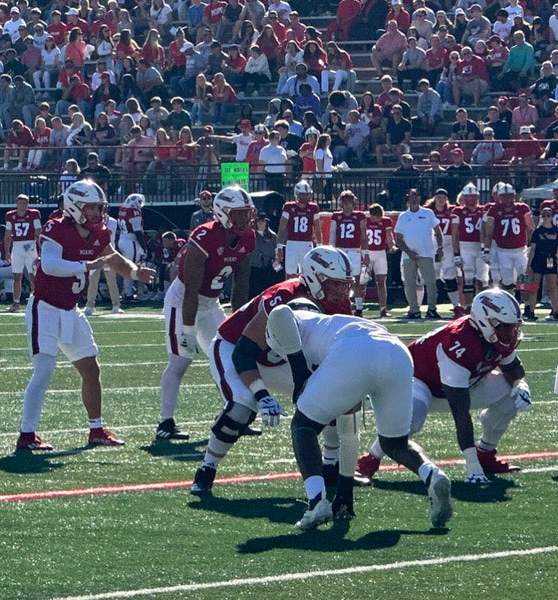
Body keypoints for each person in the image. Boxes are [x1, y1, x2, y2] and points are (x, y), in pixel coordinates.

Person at [196, 300, 453, 530]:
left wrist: (298, 373)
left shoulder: (299, 320)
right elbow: (349, 425)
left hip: (355, 351)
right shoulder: (334, 330)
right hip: (397, 352)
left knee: (302, 427)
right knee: (394, 442)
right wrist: (344, 489)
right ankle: (431, 474)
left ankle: (316, 501)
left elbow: (282, 313)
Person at [191, 246, 354, 498]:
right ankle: (206, 469)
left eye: (344, 284)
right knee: (242, 407)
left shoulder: (340, 304)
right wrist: (262, 395)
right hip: (234, 346)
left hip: (279, 357)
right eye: (334, 284)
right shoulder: (283, 298)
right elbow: (243, 353)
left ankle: (330, 465)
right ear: (313, 278)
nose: (342, 291)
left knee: (332, 393)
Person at [16, 179, 155, 451]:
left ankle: (96, 429)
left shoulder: (100, 231)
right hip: (44, 307)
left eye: (98, 208)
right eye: (91, 208)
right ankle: (26, 434)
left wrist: (136, 272)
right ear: (75, 207)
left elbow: (113, 259)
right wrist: (88, 264)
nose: (96, 213)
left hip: (71, 310)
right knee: (43, 371)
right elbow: (51, 265)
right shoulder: (56, 227)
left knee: (91, 369)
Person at [357, 289, 531, 483]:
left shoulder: (490, 335)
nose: (510, 333)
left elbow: (513, 368)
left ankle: (486, 455)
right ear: (484, 321)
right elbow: (460, 411)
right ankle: (369, 459)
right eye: (505, 327)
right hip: (418, 381)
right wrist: (471, 466)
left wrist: (520, 384)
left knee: (511, 396)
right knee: (412, 417)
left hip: (461, 384)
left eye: (513, 327)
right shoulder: (458, 342)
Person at [157, 186, 256, 440]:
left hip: (211, 303)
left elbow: (241, 283)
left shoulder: (248, 237)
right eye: (239, 214)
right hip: (184, 301)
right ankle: (165, 423)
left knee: (227, 357)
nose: (245, 219)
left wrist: (240, 323)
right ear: (223, 214)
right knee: (180, 360)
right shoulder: (204, 235)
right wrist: (188, 329)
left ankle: (232, 415)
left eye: (246, 213)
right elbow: (191, 287)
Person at [396, 188, 443, 319]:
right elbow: (398, 239)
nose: (414, 198)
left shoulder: (428, 213)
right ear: (408, 198)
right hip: (408, 255)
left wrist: (440, 247)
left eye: (416, 196)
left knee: (431, 282)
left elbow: (438, 231)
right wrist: (409, 252)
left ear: (419, 197)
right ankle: (414, 310)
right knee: (409, 283)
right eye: (411, 196)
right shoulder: (403, 216)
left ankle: (432, 309)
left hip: (426, 252)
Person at [482, 183, 534, 295]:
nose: (507, 199)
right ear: (499, 197)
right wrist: (486, 249)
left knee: (525, 276)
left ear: (514, 196)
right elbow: (489, 232)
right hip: (503, 250)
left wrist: (531, 246)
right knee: (507, 279)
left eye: (509, 196)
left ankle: (528, 305)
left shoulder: (522, 207)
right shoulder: (494, 210)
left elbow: (531, 228)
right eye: (504, 196)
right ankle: (512, 303)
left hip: (521, 249)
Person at [329, 190, 368, 316]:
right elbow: (332, 235)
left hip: (354, 250)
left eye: (349, 203)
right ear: (341, 203)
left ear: (353, 203)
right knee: (340, 280)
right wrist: (331, 250)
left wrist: (365, 252)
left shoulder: (359, 216)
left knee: (356, 280)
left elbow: (363, 235)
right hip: (340, 250)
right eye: (345, 203)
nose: (347, 205)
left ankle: (359, 307)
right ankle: (342, 305)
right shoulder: (336, 216)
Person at [451, 183, 488, 314]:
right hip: (465, 245)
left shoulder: (484, 210)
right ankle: (468, 307)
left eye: (473, 197)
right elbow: (454, 234)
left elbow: (487, 230)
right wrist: (456, 253)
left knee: (483, 278)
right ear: (464, 198)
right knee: (468, 277)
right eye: (468, 197)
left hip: (480, 246)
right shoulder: (458, 211)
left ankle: (482, 307)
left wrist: (486, 248)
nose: (471, 200)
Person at [276, 179, 322, 277]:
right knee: (290, 274)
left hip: (307, 243)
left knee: (308, 275)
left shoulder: (313, 208)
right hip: (292, 243)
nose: (306, 197)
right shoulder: (289, 207)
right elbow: (282, 228)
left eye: (307, 194)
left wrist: (320, 246)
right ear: (297, 194)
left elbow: (317, 229)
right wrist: (279, 246)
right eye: (303, 194)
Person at [4, 194, 42, 313]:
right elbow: (7, 235)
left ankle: (36, 301)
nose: (22, 206)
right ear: (16, 204)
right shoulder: (11, 216)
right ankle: (16, 302)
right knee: (17, 276)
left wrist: (40, 250)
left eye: (24, 203)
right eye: (20, 203)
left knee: (33, 275)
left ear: (28, 204)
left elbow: (38, 232)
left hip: (30, 245)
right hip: (17, 246)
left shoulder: (33, 214)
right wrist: (7, 252)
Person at [524, 207, 558, 321]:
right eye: (544, 215)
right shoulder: (537, 231)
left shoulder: (557, 231)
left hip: (551, 260)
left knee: (553, 286)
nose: (546, 217)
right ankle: (531, 311)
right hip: (538, 260)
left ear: (552, 217)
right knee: (534, 286)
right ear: (541, 216)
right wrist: (529, 265)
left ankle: (555, 311)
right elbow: (533, 249)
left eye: (548, 215)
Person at [427, 189, 461, 316]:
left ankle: (456, 305)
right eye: (439, 197)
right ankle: (432, 306)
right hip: (432, 244)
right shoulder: (428, 211)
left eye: (443, 197)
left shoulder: (452, 210)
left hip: (448, 244)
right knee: (433, 276)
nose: (441, 199)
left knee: (450, 274)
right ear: (434, 198)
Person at [366, 204, 396, 317]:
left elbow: (389, 235)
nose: (376, 219)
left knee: (381, 281)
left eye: (378, 216)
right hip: (367, 252)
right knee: (363, 281)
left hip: (380, 252)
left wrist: (391, 245)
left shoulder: (386, 221)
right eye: (374, 216)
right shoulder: (365, 221)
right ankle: (359, 307)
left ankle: (383, 308)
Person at [117, 193, 147, 303]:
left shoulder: (123, 209)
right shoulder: (135, 212)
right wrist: (144, 247)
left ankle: (127, 292)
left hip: (122, 239)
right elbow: (138, 231)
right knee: (131, 267)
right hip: (131, 241)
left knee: (127, 266)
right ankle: (129, 294)